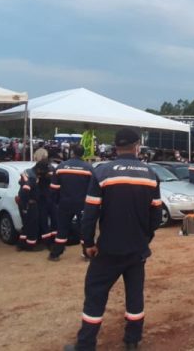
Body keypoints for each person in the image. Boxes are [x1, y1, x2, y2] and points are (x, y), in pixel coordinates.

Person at [65, 127, 161, 351]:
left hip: (107, 248)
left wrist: (87, 243)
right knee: (134, 295)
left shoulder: (102, 172)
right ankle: (132, 340)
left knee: (95, 295)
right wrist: (145, 237)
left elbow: (90, 214)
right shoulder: (150, 174)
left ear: (115, 147)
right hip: (137, 249)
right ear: (137, 147)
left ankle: (86, 344)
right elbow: (155, 215)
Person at [49, 145, 93, 261]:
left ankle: (55, 254)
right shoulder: (89, 168)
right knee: (84, 229)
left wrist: (57, 202)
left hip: (64, 203)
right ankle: (87, 254)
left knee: (62, 229)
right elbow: (93, 189)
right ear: (83, 154)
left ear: (72, 152)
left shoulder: (61, 167)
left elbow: (54, 188)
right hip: (83, 204)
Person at [16, 160, 54, 251]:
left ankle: (21, 245)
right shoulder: (33, 178)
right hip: (30, 203)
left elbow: (20, 183)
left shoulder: (27, 171)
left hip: (25, 203)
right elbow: (25, 189)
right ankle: (30, 246)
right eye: (43, 171)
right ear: (39, 169)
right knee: (33, 225)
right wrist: (27, 203)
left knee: (26, 225)